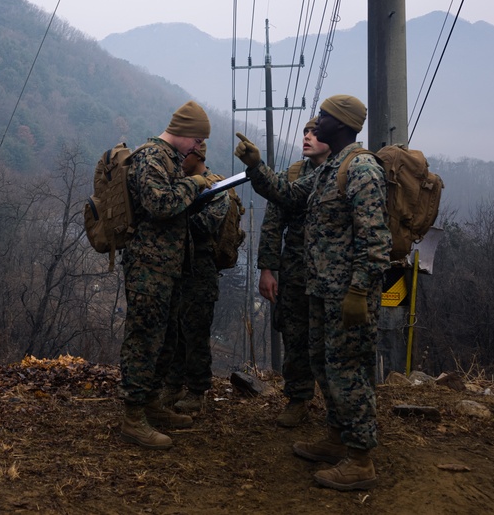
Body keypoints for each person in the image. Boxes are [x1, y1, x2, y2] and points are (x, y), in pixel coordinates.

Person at [234, 94, 390, 491]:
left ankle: (360, 459)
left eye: (323, 117)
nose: (316, 122)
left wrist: (359, 290)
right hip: (321, 290)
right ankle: (337, 439)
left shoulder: (361, 169)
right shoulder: (327, 171)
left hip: (347, 296)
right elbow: (288, 196)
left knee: (348, 371)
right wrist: (256, 166)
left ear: (341, 125)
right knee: (324, 365)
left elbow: (375, 240)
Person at [118, 100, 214, 450]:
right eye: (198, 140)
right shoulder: (153, 157)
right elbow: (159, 204)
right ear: (185, 132)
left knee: (165, 339)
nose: (199, 148)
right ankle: (132, 417)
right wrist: (197, 184)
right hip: (148, 266)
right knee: (144, 339)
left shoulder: (168, 159)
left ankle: (151, 404)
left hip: (167, 266)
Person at [257, 119, 329, 428]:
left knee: (331, 341)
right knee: (296, 336)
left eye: (315, 133)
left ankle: (340, 409)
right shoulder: (293, 176)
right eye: (305, 132)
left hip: (332, 274)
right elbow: (273, 224)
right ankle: (298, 398)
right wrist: (267, 269)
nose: (308, 137)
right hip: (297, 271)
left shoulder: (345, 172)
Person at [160, 142, 230, 415]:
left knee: (196, 332)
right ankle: (173, 385)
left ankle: (197, 391)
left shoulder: (216, 189)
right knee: (173, 330)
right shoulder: (178, 185)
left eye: (183, 156)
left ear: (197, 156)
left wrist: (175, 216)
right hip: (178, 267)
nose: (178, 161)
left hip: (200, 271)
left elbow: (203, 226)